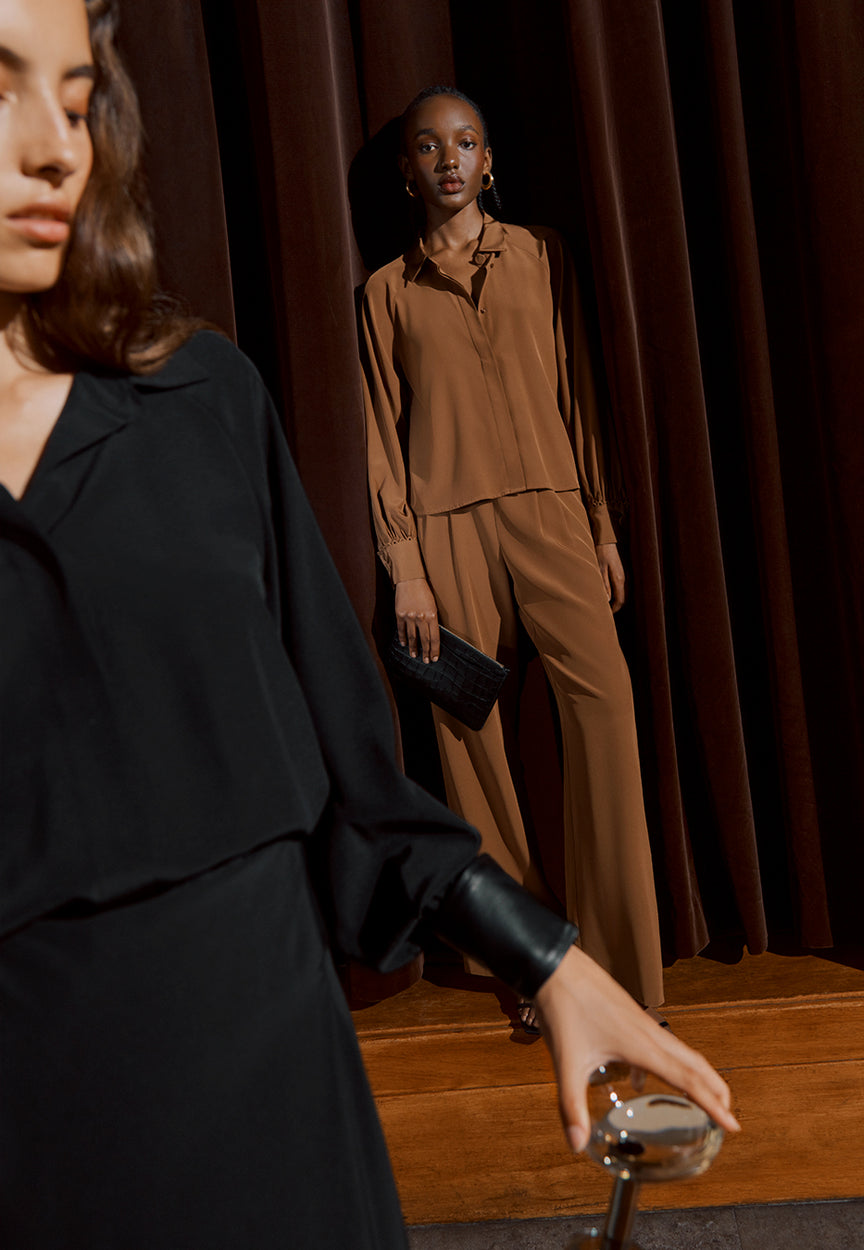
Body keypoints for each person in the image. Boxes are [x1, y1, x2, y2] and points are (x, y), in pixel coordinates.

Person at [0, 3, 737, 1247]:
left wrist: (545, 959)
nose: (56, 149)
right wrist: (409, 558)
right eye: (1, 88)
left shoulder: (200, 396)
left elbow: (353, 768)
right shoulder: (383, 295)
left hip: (266, 1074)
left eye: (77, 101)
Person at [362, 86, 666, 1026]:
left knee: (604, 708)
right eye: (427, 146)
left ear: (487, 162)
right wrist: (404, 563)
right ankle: (543, 970)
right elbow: (381, 432)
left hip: (552, 511)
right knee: (469, 745)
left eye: (464, 142)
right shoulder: (384, 292)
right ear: (408, 172)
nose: (448, 158)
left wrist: (604, 527)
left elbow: (582, 399)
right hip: (446, 527)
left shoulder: (541, 257)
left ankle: (621, 973)